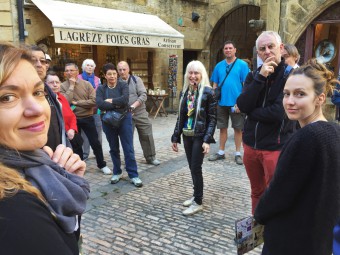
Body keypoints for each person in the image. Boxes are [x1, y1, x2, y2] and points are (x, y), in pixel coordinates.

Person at [0, 42, 89, 254]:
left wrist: (63, 181)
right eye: (7, 97)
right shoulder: (15, 208)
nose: (37, 109)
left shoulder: (34, 168)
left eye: (38, 92)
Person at [254, 59, 340, 255]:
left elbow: (278, 194)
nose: (290, 101)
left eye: (300, 94)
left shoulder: (306, 137)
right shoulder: (335, 131)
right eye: (286, 94)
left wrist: (259, 215)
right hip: (320, 238)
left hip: (292, 239)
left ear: (320, 98)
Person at [237, 31, 296, 214]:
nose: (267, 51)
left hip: (274, 147)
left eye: (271, 46)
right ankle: (258, 227)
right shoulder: (253, 75)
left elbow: (279, 113)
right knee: (256, 191)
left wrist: (250, 111)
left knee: (275, 193)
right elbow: (242, 104)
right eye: (262, 49)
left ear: (281, 48)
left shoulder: (291, 76)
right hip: (251, 146)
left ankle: (274, 231)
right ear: (258, 53)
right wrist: (260, 77)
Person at [171, 60, 217, 216]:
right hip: (187, 134)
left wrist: (207, 140)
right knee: (192, 167)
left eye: (196, 73)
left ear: (201, 74)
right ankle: (196, 194)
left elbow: (212, 119)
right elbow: (181, 116)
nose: (193, 76)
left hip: (199, 135)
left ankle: (198, 202)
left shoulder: (209, 92)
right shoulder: (185, 92)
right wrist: (175, 136)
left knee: (196, 168)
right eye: (190, 72)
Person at [96, 63, 143, 187]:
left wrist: (110, 101)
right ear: (105, 76)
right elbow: (100, 104)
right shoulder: (101, 88)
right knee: (113, 148)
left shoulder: (123, 85)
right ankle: (117, 172)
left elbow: (125, 100)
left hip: (124, 119)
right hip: (108, 121)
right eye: (109, 74)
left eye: (114, 73)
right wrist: (117, 104)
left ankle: (133, 174)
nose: (112, 76)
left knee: (128, 148)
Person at [60, 63, 111, 175]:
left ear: (77, 71)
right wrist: (72, 86)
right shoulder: (63, 86)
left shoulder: (87, 84)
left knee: (95, 142)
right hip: (73, 120)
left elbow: (94, 101)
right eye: (67, 70)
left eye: (71, 70)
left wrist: (77, 103)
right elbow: (65, 101)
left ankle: (102, 164)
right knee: (77, 145)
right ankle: (80, 165)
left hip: (88, 117)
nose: (69, 73)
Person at [208, 40, 249, 165]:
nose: (228, 50)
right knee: (222, 128)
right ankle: (221, 152)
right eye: (226, 48)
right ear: (223, 50)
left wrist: (241, 103)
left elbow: (246, 86)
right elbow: (214, 84)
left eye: (230, 48)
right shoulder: (219, 66)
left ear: (235, 50)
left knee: (238, 129)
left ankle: (237, 153)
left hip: (236, 104)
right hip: (221, 103)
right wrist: (213, 100)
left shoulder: (242, 65)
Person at [117, 61, 160, 166]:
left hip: (140, 112)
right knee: (127, 138)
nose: (122, 72)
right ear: (117, 71)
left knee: (147, 134)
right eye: (120, 70)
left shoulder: (136, 80)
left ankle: (150, 157)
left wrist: (133, 106)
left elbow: (143, 95)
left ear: (128, 69)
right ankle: (129, 159)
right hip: (125, 114)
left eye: (124, 69)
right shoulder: (116, 83)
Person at [30, 45, 67, 150]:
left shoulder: (49, 92)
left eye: (42, 61)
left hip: (56, 152)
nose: (39, 65)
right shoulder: (20, 93)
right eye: (33, 61)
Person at [46, 71, 83, 156]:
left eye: (57, 82)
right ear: (46, 84)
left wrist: (72, 129)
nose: (55, 85)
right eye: (51, 83)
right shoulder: (45, 101)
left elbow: (72, 116)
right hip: (56, 140)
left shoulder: (61, 97)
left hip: (71, 136)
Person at [78, 59, 102, 161]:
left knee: (98, 131)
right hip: (83, 110)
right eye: (87, 65)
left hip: (96, 109)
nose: (90, 67)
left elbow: (99, 94)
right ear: (83, 67)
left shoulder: (98, 79)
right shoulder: (78, 78)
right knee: (84, 134)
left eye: (92, 65)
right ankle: (85, 154)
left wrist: (100, 110)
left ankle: (98, 153)